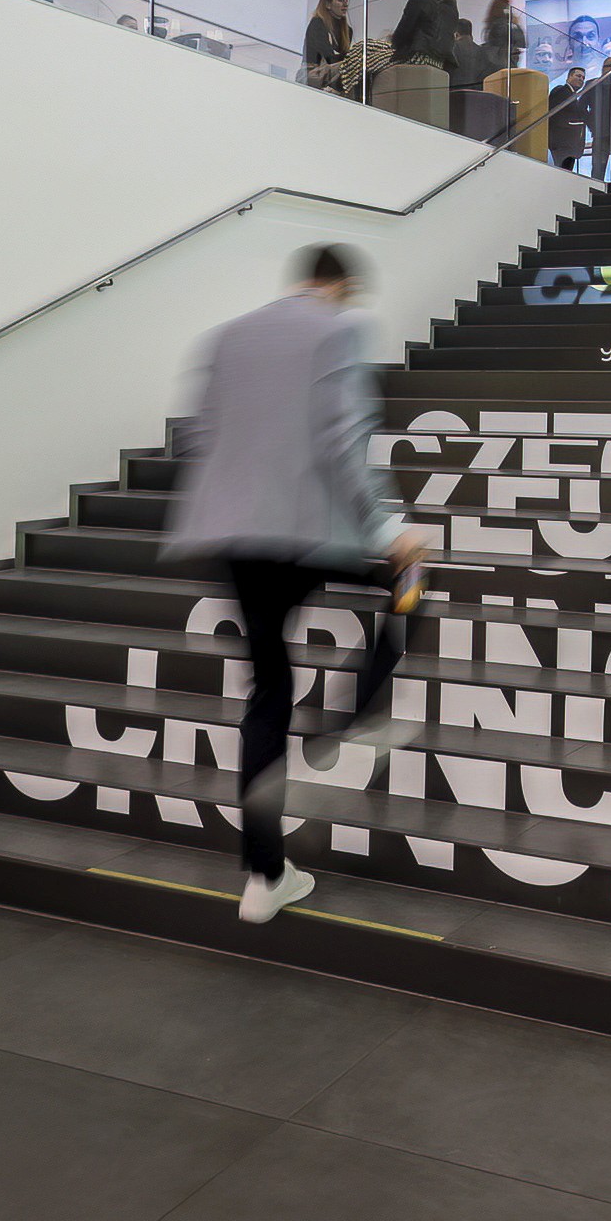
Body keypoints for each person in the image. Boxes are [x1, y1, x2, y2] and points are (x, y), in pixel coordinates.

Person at [164, 245, 429, 924]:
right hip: (306, 534)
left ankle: (264, 875)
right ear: (342, 286)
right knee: (407, 574)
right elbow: (343, 438)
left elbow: (194, 437)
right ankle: (358, 714)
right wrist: (386, 527)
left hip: (234, 536)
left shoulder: (227, 337)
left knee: (268, 690)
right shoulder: (338, 328)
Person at [388, 0, 458, 75]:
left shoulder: (419, 0)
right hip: (440, 66)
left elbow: (400, 36)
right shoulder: (452, 10)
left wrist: (392, 38)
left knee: (368, 61)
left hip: (416, 60)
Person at [302, 0, 355, 88]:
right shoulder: (317, 23)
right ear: (328, 4)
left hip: (330, 74)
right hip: (312, 75)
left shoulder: (347, 31)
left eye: (346, 1)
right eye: (340, 0)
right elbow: (329, 58)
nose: (345, 5)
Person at [546, 65, 592, 172]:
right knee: (563, 174)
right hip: (562, 144)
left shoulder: (574, 96)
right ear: (569, 77)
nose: (581, 79)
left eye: (583, 78)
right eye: (578, 76)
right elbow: (555, 117)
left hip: (571, 146)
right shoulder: (560, 91)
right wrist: (577, 124)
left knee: (566, 173)